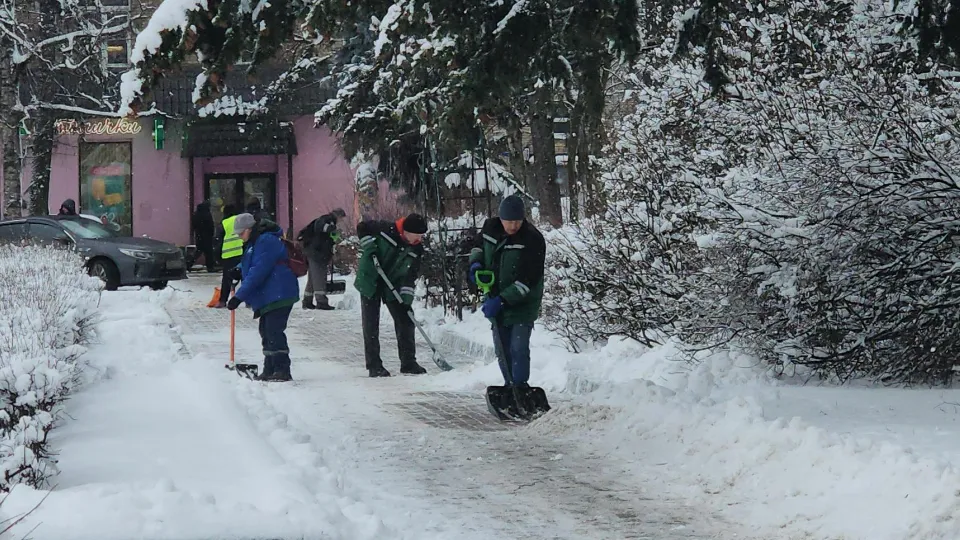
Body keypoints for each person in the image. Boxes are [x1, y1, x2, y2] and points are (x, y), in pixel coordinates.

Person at [467, 195, 546, 391]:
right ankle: (509, 385)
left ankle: (520, 386)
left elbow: (529, 279)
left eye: (517, 222)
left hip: (523, 303)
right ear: (500, 219)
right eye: (508, 221)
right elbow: (476, 247)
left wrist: (502, 300)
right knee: (502, 348)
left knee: (518, 347)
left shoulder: (533, 239)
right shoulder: (490, 229)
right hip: (495, 296)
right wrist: (476, 264)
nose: (512, 226)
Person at [226, 213, 300, 382]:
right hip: (269, 294)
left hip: (279, 292)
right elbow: (252, 263)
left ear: (249, 229)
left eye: (240, 233)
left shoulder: (266, 241)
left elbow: (259, 270)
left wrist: (239, 297)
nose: (239, 237)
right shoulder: (255, 241)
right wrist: (238, 269)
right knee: (266, 331)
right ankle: (269, 368)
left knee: (274, 331)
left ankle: (282, 369)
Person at [354, 213, 429, 377]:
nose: (419, 239)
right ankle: (374, 365)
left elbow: (411, 274)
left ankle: (408, 362)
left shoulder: (416, 248)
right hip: (370, 278)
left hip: (393, 282)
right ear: (406, 231)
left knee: (406, 319)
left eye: (421, 236)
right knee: (371, 324)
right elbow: (362, 227)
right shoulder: (385, 229)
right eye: (417, 235)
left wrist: (406, 300)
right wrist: (369, 247)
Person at [298, 208, 347, 310]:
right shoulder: (327, 219)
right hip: (317, 253)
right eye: (341, 218)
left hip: (314, 251)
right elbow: (320, 226)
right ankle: (321, 301)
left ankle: (307, 300)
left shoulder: (329, 221)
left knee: (313, 278)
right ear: (338, 216)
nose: (341, 221)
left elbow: (328, 237)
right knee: (320, 276)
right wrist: (332, 229)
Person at [215, 204, 242, 308]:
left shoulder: (224, 223)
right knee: (246, 276)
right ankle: (249, 300)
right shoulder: (240, 221)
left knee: (227, 279)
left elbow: (218, 242)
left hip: (228, 255)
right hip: (241, 253)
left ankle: (222, 301)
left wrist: (217, 258)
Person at [192, 200, 216, 272]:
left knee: (199, 251)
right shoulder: (207, 214)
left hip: (199, 235)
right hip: (207, 236)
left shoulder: (196, 214)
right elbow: (210, 226)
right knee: (209, 253)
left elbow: (194, 225)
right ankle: (210, 267)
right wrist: (212, 234)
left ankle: (188, 263)